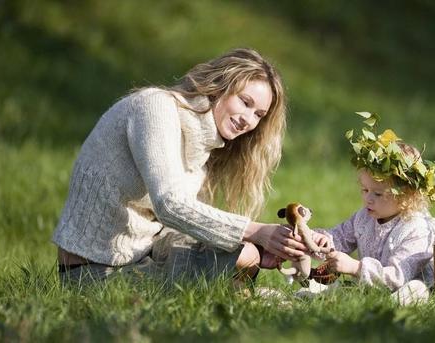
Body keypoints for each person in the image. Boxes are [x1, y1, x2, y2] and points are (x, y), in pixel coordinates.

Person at [52, 48, 309, 284]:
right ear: (220, 86)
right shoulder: (155, 107)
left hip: (142, 256)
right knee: (243, 255)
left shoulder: (203, 144)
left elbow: (178, 224)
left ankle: (245, 295)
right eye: (245, 101)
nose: (248, 120)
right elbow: (170, 204)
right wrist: (255, 231)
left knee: (246, 254)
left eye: (259, 115)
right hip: (92, 273)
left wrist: (264, 246)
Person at [311, 115, 435, 305]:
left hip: (405, 285)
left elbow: (398, 275)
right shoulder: (364, 218)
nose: (368, 198)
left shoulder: (417, 229)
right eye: (365, 190)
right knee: (333, 286)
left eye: (377, 194)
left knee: (416, 289)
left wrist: (356, 268)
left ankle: (389, 306)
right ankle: (332, 296)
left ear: (406, 195)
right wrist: (323, 240)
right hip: (372, 285)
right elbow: (341, 237)